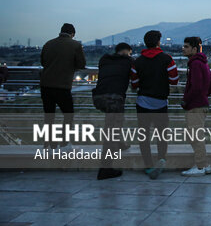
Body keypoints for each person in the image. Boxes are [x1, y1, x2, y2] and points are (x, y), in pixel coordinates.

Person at [131, 30, 179, 179]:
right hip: (160, 103)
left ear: (146, 43)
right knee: (162, 134)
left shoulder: (137, 61)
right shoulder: (167, 59)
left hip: (143, 102)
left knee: (144, 136)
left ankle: (148, 165)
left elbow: (134, 83)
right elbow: (174, 79)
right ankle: (161, 159)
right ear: (158, 42)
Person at [40, 23, 86, 150]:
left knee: (49, 115)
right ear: (72, 34)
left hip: (45, 85)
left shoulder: (48, 43)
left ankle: (49, 144)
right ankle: (64, 142)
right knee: (68, 114)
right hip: (62, 86)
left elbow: (43, 62)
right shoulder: (76, 45)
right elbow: (82, 64)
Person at [92, 42, 133, 180]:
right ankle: (105, 168)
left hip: (98, 97)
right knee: (111, 131)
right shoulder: (129, 61)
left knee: (115, 123)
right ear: (128, 51)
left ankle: (120, 144)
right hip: (114, 98)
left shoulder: (104, 58)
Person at [181, 37, 211, 176]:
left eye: (186, 46)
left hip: (195, 105)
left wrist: (186, 100)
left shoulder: (195, 64)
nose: (183, 49)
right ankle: (205, 165)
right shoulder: (203, 63)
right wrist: (204, 94)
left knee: (195, 137)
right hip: (201, 104)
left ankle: (201, 166)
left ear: (194, 49)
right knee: (195, 136)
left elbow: (196, 87)